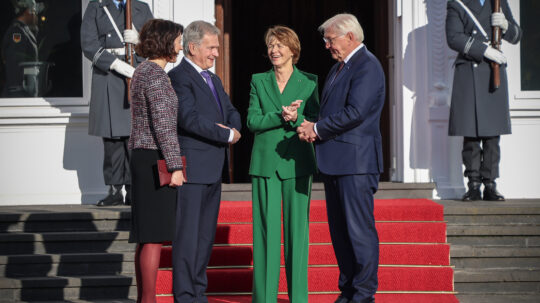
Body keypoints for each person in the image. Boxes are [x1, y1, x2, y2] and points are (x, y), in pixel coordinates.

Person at [297, 13, 385, 303]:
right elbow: (333, 112)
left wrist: (317, 129)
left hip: (356, 164)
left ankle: (363, 295)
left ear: (350, 37)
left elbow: (355, 113)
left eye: (330, 39)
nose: (326, 45)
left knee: (358, 232)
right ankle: (348, 292)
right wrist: (307, 120)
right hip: (337, 162)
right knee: (341, 234)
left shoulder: (367, 66)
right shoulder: (339, 68)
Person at [168, 20, 242, 303]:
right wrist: (226, 135)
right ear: (193, 47)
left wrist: (235, 127)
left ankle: (198, 292)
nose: (216, 54)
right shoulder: (179, 77)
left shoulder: (213, 79)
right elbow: (188, 119)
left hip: (212, 169)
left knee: (204, 238)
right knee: (188, 238)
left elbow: (230, 109)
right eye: (212, 48)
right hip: (192, 170)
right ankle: (185, 295)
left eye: (218, 47)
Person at [247, 25, 319, 303]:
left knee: (297, 234)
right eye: (270, 45)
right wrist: (281, 115)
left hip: (297, 162)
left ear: (293, 50)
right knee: (265, 233)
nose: (274, 50)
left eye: (280, 45)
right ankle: (264, 298)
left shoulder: (310, 82)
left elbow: (315, 121)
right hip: (265, 163)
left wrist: (296, 118)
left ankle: (298, 298)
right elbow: (252, 121)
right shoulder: (258, 80)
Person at [128, 19, 185, 303]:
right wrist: (175, 166)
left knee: (146, 235)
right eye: (177, 40)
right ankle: (148, 300)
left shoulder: (142, 71)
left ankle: (145, 299)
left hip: (143, 156)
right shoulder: (156, 75)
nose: (181, 45)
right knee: (153, 236)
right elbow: (163, 125)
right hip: (154, 158)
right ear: (165, 42)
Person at [446, 0, 521, 201]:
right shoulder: (457, 3)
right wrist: (483, 50)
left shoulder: (498, 1)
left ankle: (490, 184)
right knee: (470, 134)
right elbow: (453, 37)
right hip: (470, 69)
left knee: (492, 134)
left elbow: (516, 36)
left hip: (492, 70)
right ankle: (473, 185)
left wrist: (505, 26)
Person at [81, 0, 153, 206]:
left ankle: (132, 188)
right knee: (112, 139)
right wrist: (113, 64)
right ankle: (114, 189)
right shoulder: (97, 7)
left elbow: (156, 43)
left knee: (133, 137)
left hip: (135, 73)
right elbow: (88, 43)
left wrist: (140, 41)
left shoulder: (141, 7)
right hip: (108, 75)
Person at [1, 0, 43, 97]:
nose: (36, 17)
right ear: (28, 12)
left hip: (26, 89)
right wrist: (18, 92)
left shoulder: (25, 31)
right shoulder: (17, 32)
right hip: (19, 92)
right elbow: (15, 64)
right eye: (34, 12)